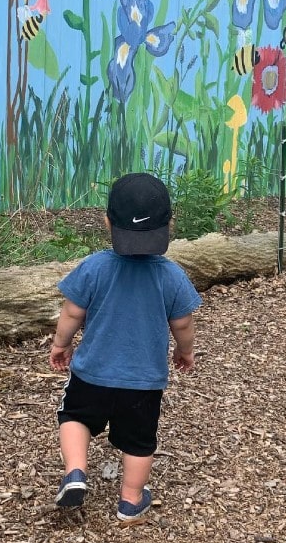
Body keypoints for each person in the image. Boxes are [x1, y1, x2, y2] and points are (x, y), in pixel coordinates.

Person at [48, 172, 201, 522]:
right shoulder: (171, 275)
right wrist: (185, 351)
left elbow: (72, 311)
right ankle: (131, 500)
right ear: (170, 225)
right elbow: (183, 323)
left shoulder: (94, 267)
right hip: (144, 382)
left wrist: (61, 344)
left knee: (74, 417)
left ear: (107, 221)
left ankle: (75, 473)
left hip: (92, 373)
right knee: (138, 441)